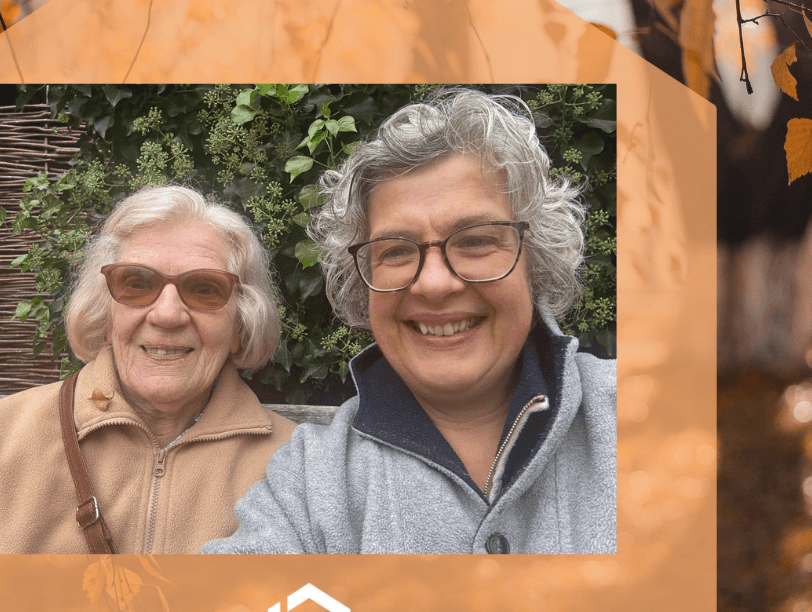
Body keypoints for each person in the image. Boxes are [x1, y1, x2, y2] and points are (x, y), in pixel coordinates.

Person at [202, 89, 616, 555]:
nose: (435, 284)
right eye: (397, 250)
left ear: (534, 261)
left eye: (477, 241)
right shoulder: (311, 482)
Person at [0, 186, 295, 553]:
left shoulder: (296, 465)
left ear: (241, 325)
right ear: (104, 311)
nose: (167, 315)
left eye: (203, 289)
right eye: (136, 283)